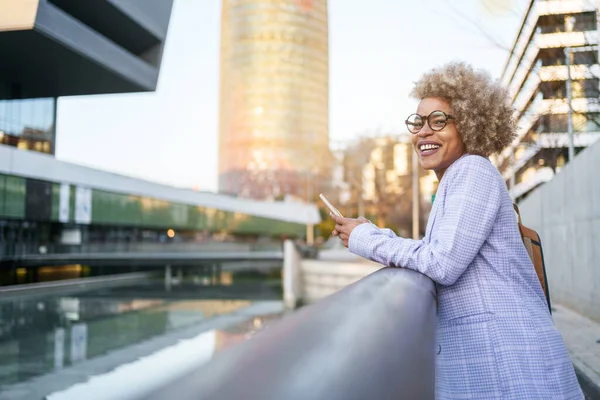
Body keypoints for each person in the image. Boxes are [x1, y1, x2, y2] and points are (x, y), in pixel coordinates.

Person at [331, 62, 583, 399]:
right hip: (499, 360)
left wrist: (365, 239)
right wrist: (380, 234)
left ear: (469, 125)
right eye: (418, 122)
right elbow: (441, 250)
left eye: (438, 121)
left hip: (509, 363)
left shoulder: (472, 170)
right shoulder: (456, 179)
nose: (423, 132)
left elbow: (442, 262)